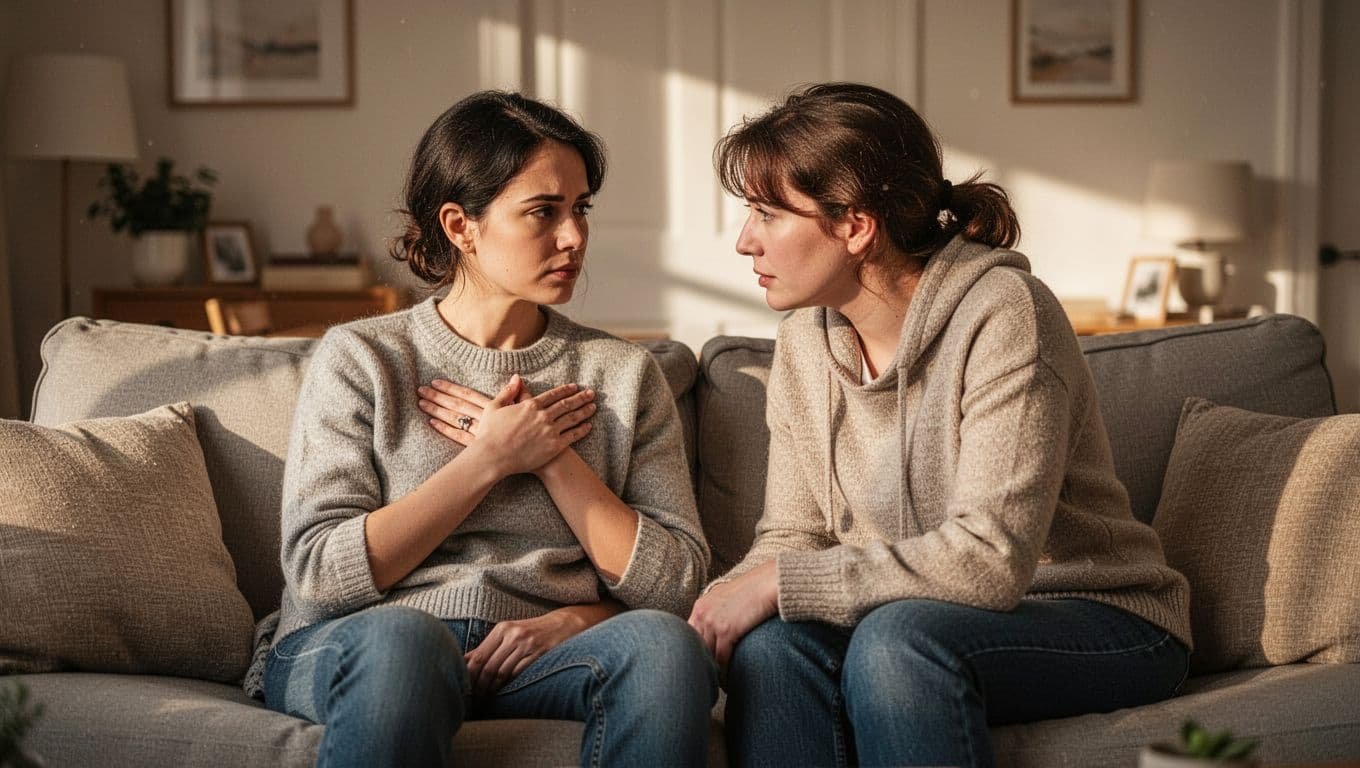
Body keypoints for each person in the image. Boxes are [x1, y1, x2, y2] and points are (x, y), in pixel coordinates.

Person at [687, 82, 1191, 768]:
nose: (746, 241)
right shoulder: (807, 337)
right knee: (773, 648)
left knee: (899, 644)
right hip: (903, 618)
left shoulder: (1005, 312)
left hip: (1097, 614)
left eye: (768, 214)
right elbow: (791, 535)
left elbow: (990, 560)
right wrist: (718, 608)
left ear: (856, 225)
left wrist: (782, 583)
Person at [256, 90, 716, 768]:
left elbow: (677, 585)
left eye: (580, 208)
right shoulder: (365, 358)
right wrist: (488, 462)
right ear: (460, 226)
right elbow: (320, 574)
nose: (574, 237)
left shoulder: (623, 375)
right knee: (404, 646)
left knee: (663, 651)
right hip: (370, 643)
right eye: (543, 212)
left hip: (544, 652)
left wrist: (553, 461)